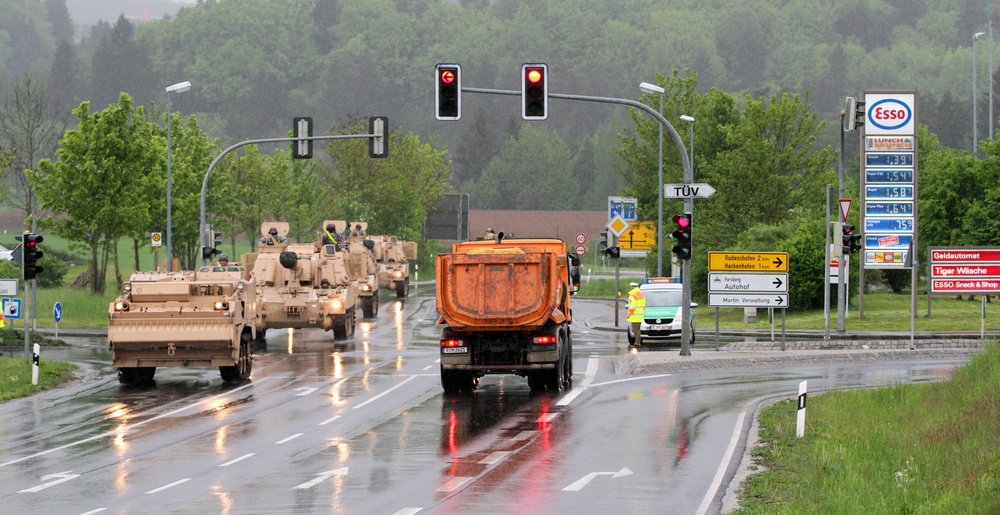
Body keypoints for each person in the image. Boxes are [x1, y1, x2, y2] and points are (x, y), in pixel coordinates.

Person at [627, 282, 646, 348]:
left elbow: (632, 306)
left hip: (634, 316)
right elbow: (643, 306)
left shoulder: (633, 295)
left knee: (635, 330)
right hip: (640, 316)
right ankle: (637, 342)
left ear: (632, 287)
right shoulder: (641, 294)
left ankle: (637, 343)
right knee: (638, 330)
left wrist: (629, 314)